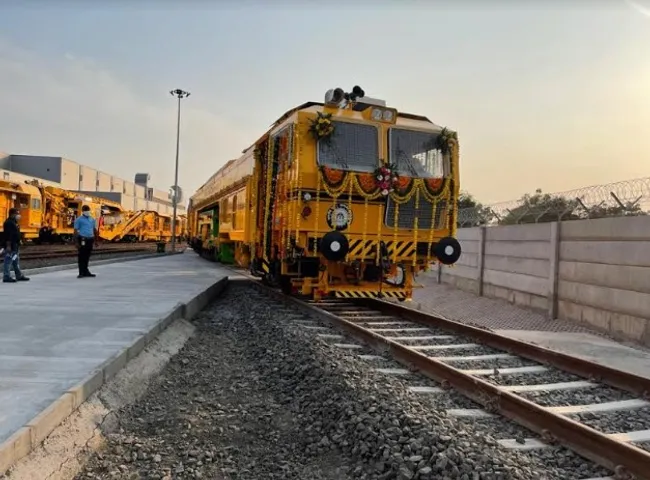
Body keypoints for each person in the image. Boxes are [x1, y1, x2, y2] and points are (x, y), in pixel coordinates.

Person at [3, 208, 30, 283]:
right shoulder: (8, 223)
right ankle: (6, 276)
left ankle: (18, 275)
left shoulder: (14, 222)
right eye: (17, 213)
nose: (18, 215)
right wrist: (8, 245)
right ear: (12, 214)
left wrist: (19, 241)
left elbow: (16, 234)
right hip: (11, 245)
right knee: (8, 261)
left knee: (15, 260)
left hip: (15, 245)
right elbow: (7, 235)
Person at [74, 205, 99, 278]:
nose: (87, 211)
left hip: (90, 239)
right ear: (82, 211)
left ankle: (86, 271)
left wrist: (96, 241)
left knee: (87, 256)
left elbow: (94, 230)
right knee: (82, 256)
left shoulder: (92, 219)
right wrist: (76, 242)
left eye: (88, 209)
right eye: (85, 210)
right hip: (82, 239)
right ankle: (81, 272)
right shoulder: (79, 220)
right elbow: (75, 231)